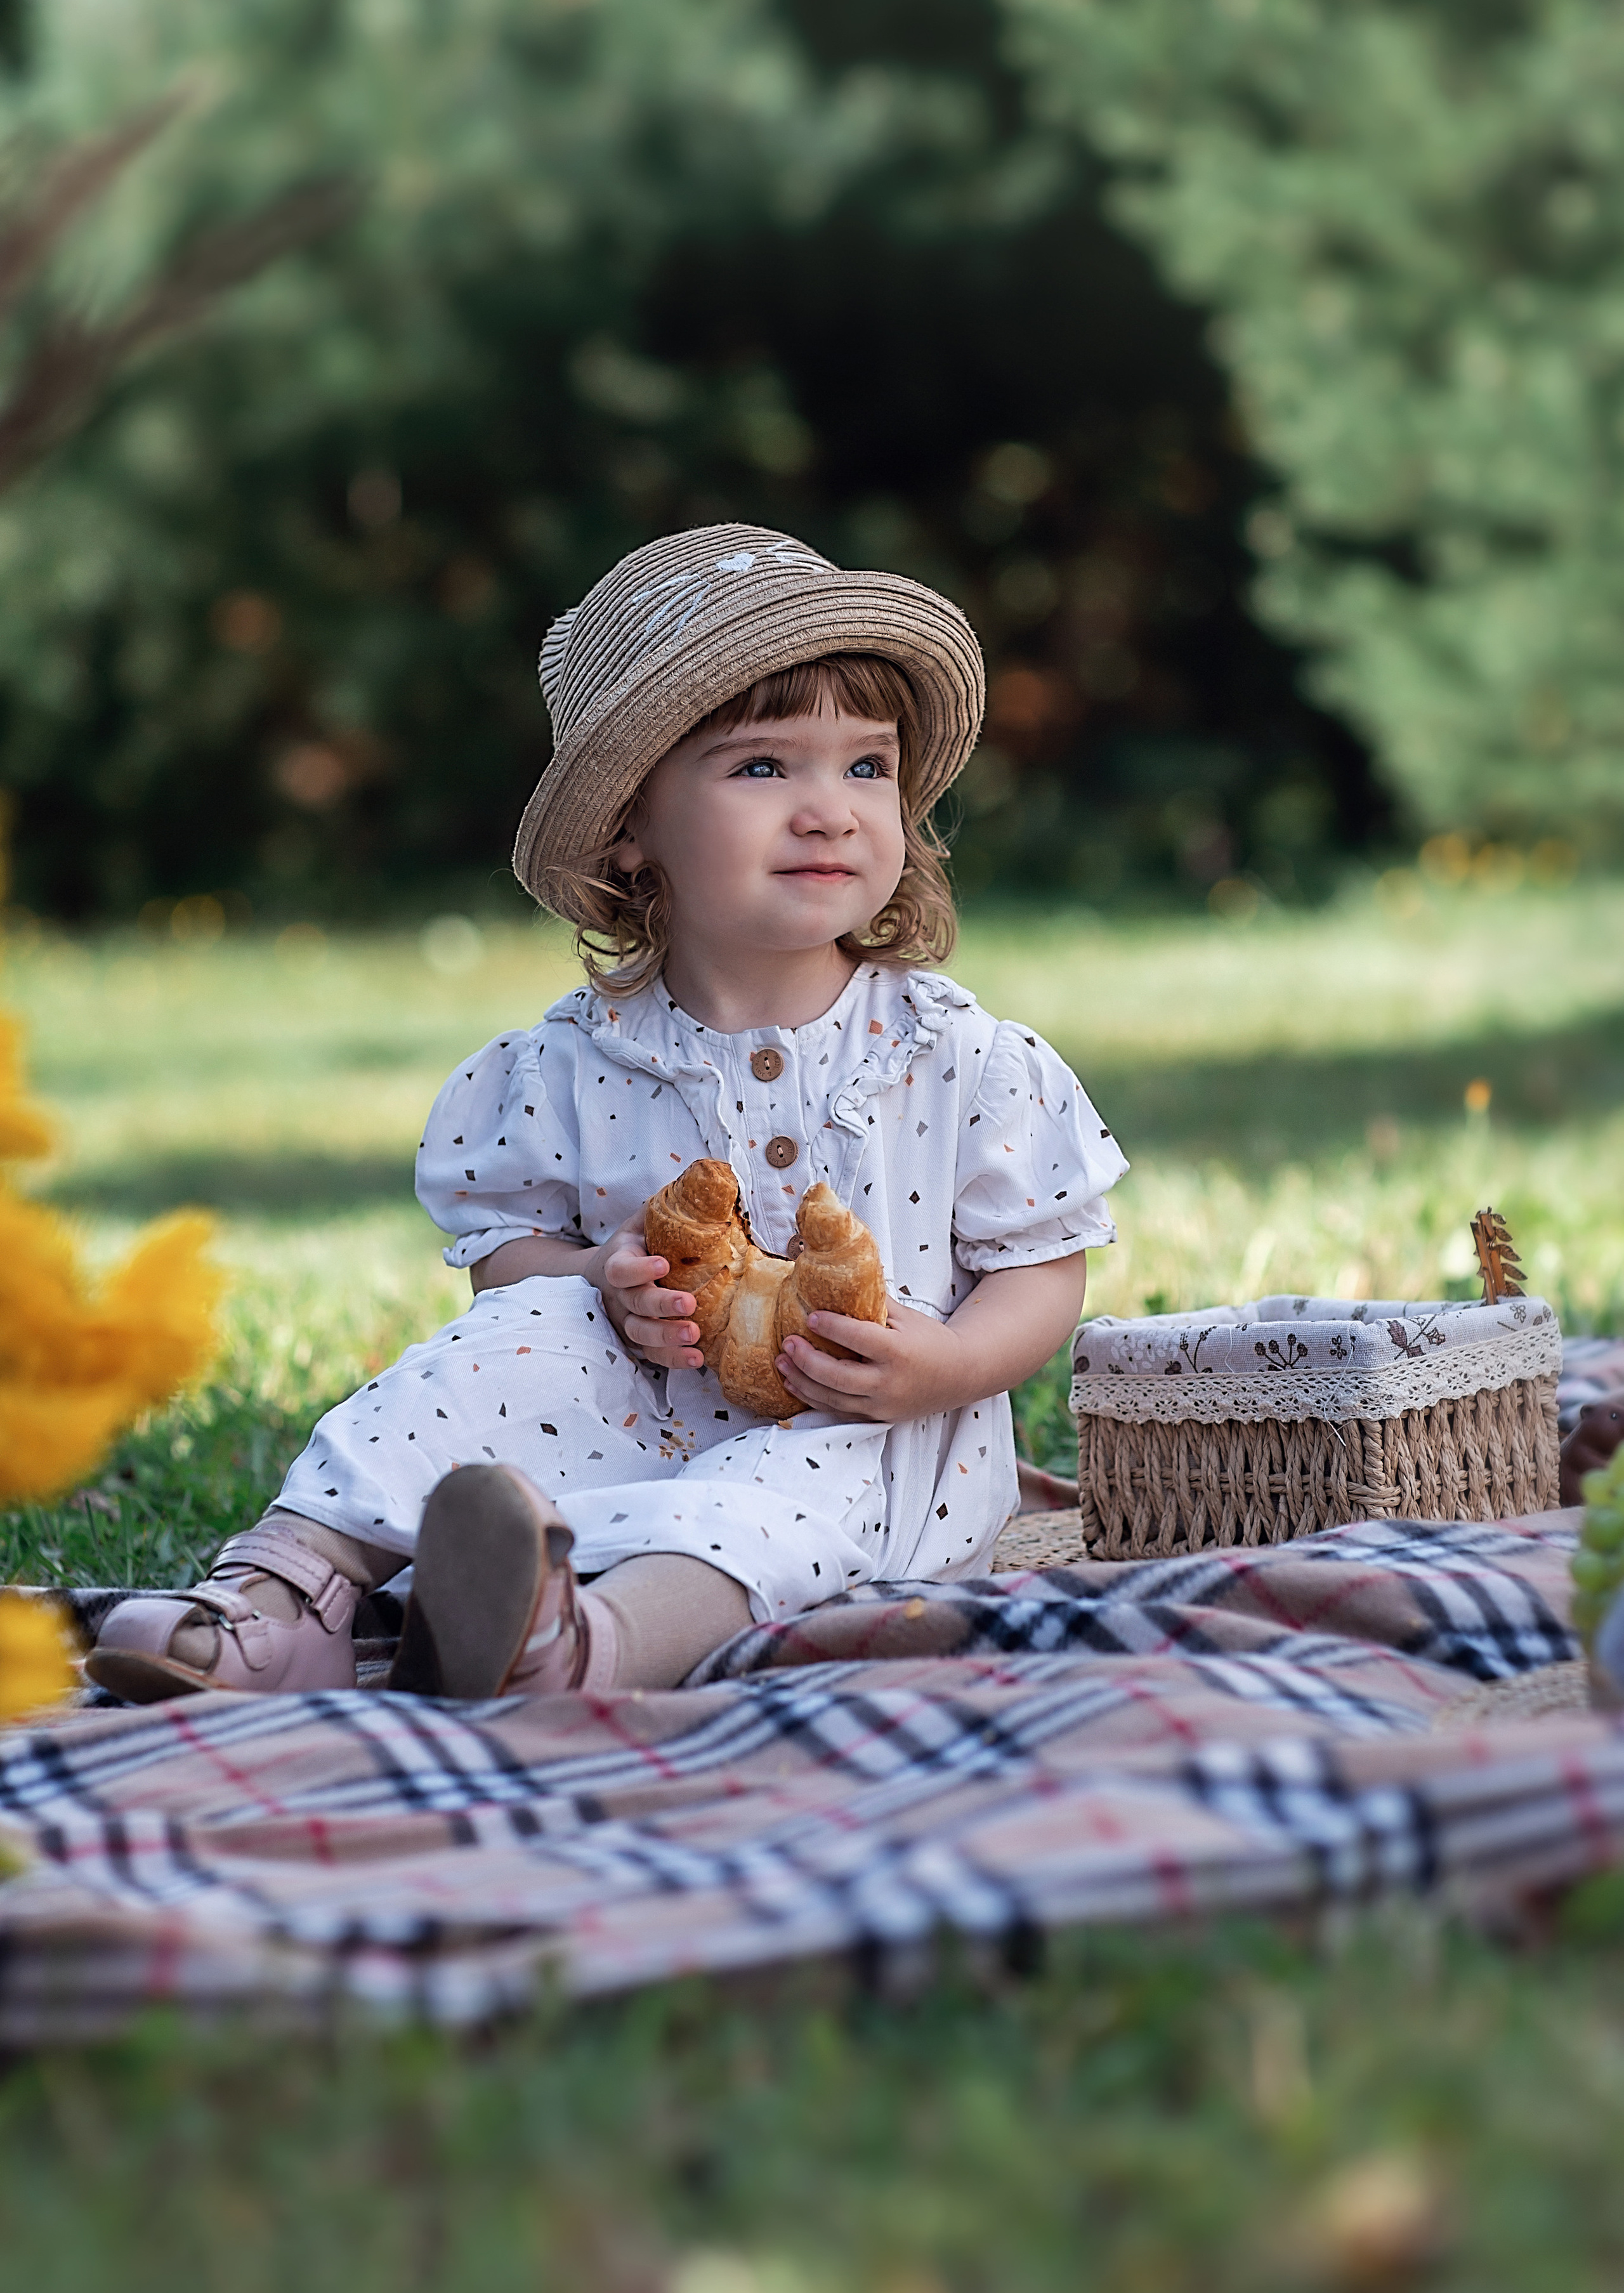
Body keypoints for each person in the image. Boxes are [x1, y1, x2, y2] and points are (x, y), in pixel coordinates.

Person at [89, 525, 1126, 1704]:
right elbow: (507, 1260)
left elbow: (1044, 1266)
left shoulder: (957, 1058)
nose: (830, 810)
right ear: (633, 826)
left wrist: (947, 1366)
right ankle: (288, 1597)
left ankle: (576, 1646)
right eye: (761, 768)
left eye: (865, 767)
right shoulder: (566, 1065)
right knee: (481, 1356)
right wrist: (600, 1271)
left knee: (769, 1503)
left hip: (870, 1437)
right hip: (622, 1417)